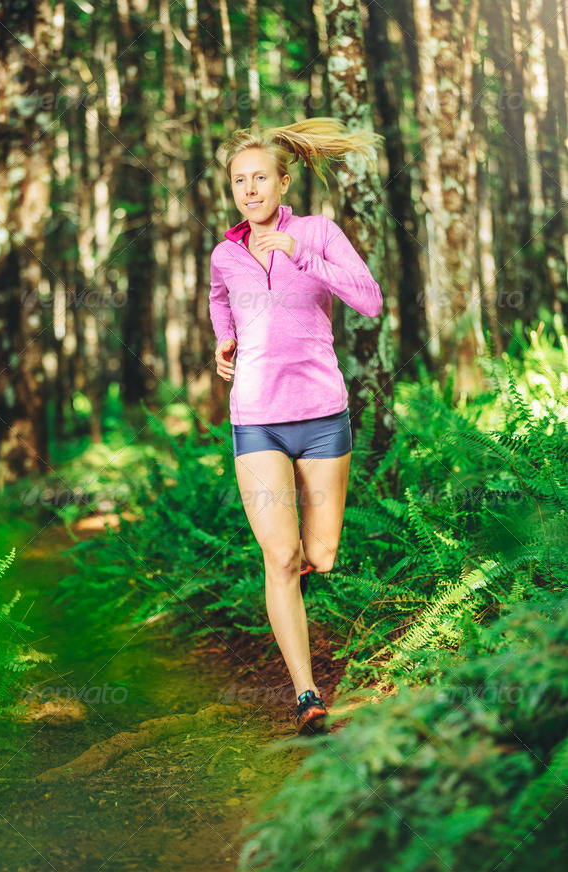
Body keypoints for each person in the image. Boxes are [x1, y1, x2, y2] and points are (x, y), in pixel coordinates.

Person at [209, 118, 384, 735]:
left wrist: (301, 254)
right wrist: (223, 343)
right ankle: (307, 696)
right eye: (239, 181)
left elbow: (370, 300)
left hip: (321, 414)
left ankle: (306, 564)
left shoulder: (317, 232)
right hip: (256, 418)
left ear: (284, 182)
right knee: (280, 557)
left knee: (322, 554)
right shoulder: (225, 253)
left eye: (261, 178)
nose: (250, 190)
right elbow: (219, 300)